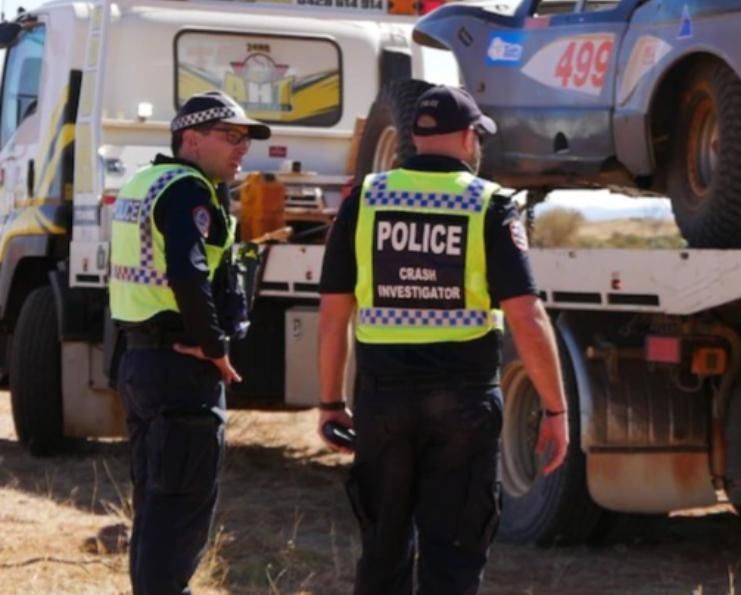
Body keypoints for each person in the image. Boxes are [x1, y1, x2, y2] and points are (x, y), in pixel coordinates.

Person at [317, 85, 570, 595]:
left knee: (383, 552)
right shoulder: (490, 205)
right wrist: (555, 409)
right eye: (477, 135)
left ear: (414, 135)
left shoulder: (364, 198)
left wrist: (329, 402)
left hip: (383, 399)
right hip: (465, 405)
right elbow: (526, 316)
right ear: (466, 136)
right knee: (453, 558)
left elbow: (333, 314)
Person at [110, 90, 268, 595]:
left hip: (141, 362)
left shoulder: (142, 182)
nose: (241, 148)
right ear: (191, 140)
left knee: (155, 506)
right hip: (183, 368)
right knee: (179, 513)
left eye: (246, 138)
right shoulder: (189, 190)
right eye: (230, 136)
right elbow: (187, 270)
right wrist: (215, 345)